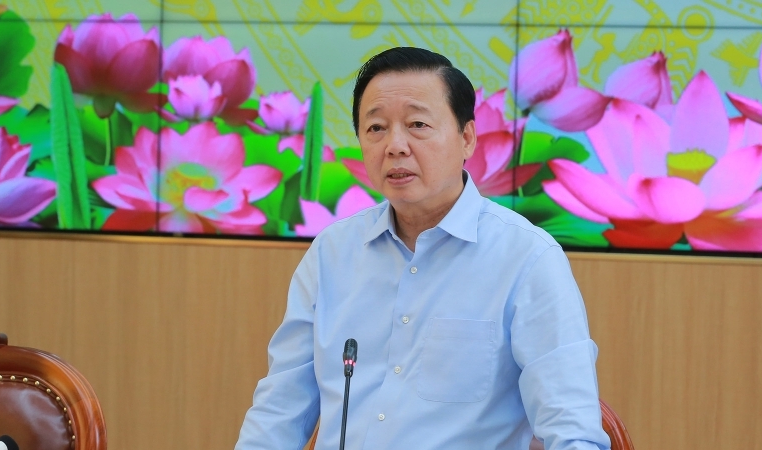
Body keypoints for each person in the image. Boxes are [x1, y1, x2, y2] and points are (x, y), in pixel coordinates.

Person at [236, 47, 610, 450]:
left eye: (417, 124)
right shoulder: (332, 253)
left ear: (467, 138)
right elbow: (279, 410)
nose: (395, 145)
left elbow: (573, 431)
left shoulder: (527, 259)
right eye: (376, 128)